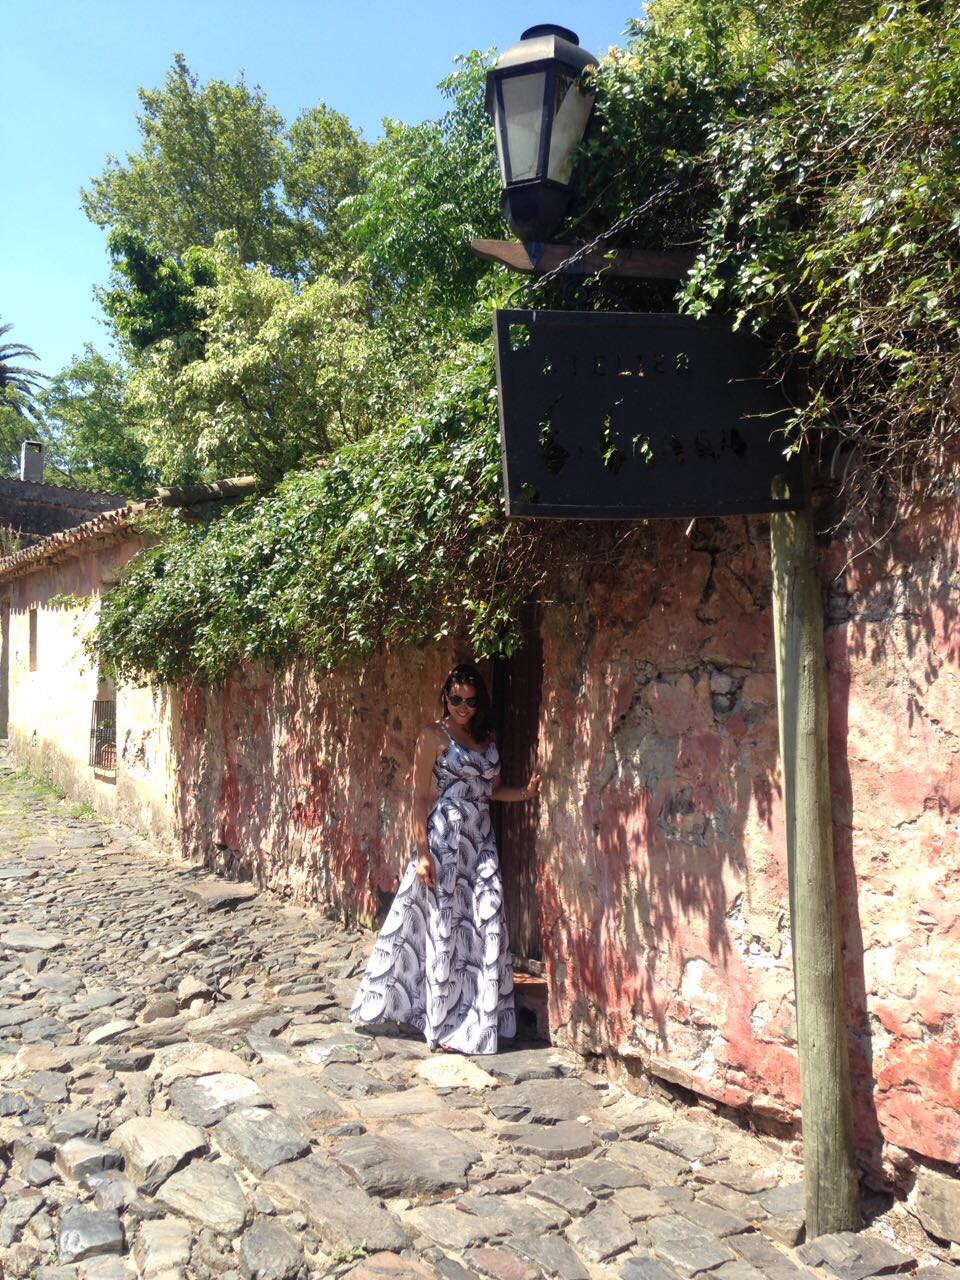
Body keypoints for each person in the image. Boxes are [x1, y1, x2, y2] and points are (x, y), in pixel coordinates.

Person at [350, 662, 540, 1054]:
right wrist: (423, 853)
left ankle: (477, 1019)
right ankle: (442, 1020)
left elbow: (493, 789)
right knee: (444, 925)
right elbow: (419, 799)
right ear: (445, 697)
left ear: (480, 702)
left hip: (480, 840)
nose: (463, 707)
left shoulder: (486, 738)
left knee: (486, 918)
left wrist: (525, 794)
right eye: (456, 699)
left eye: (470, 701)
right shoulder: (432, 736)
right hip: (445, 840)